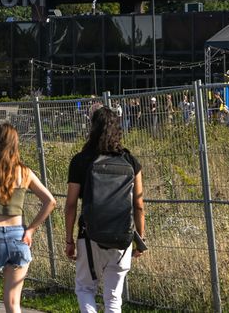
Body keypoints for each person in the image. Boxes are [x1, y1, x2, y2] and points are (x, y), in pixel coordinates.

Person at [0, 123, 56, 313]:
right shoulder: (25, 172)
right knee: (13, 303)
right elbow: (50, 201)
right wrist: (30, 229)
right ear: (15, 145)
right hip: (18, 237)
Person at [64, 107, 146, 313]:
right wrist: (140, 239)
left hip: (89, 235)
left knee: (84, 288)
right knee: (113, 297)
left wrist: (69, 240)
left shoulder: (81, 161)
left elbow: (71, 204)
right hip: (122, 236)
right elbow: (139, 204)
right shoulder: (130, 161)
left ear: (93, 128)